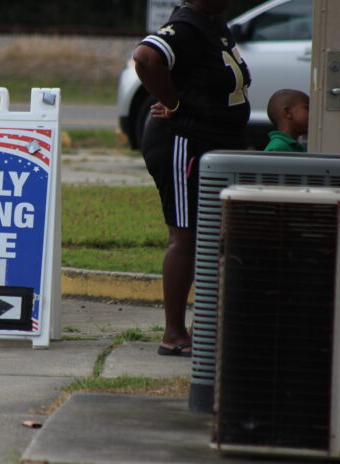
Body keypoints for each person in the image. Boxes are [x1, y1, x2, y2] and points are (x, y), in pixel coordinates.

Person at [133, 0, 251, 357]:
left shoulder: (213, 22)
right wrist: (173, 102)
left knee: (211, 233)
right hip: (182, 142)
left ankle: (205, 325)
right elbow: (145, 57)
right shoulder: (186, 25)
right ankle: (173, 333)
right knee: (185, 235)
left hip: (210, 142)